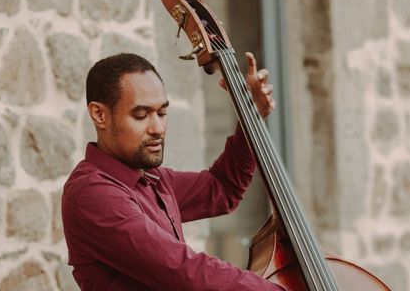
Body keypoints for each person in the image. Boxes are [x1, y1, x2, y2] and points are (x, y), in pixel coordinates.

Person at [61, 52, 286, 290]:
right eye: (141, 115)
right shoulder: (93, 194)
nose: (157, 128)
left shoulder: (153, 179)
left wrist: (251, 117)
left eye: (162, 113)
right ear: (100, 115)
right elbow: (184, 270)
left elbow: (222, 188)